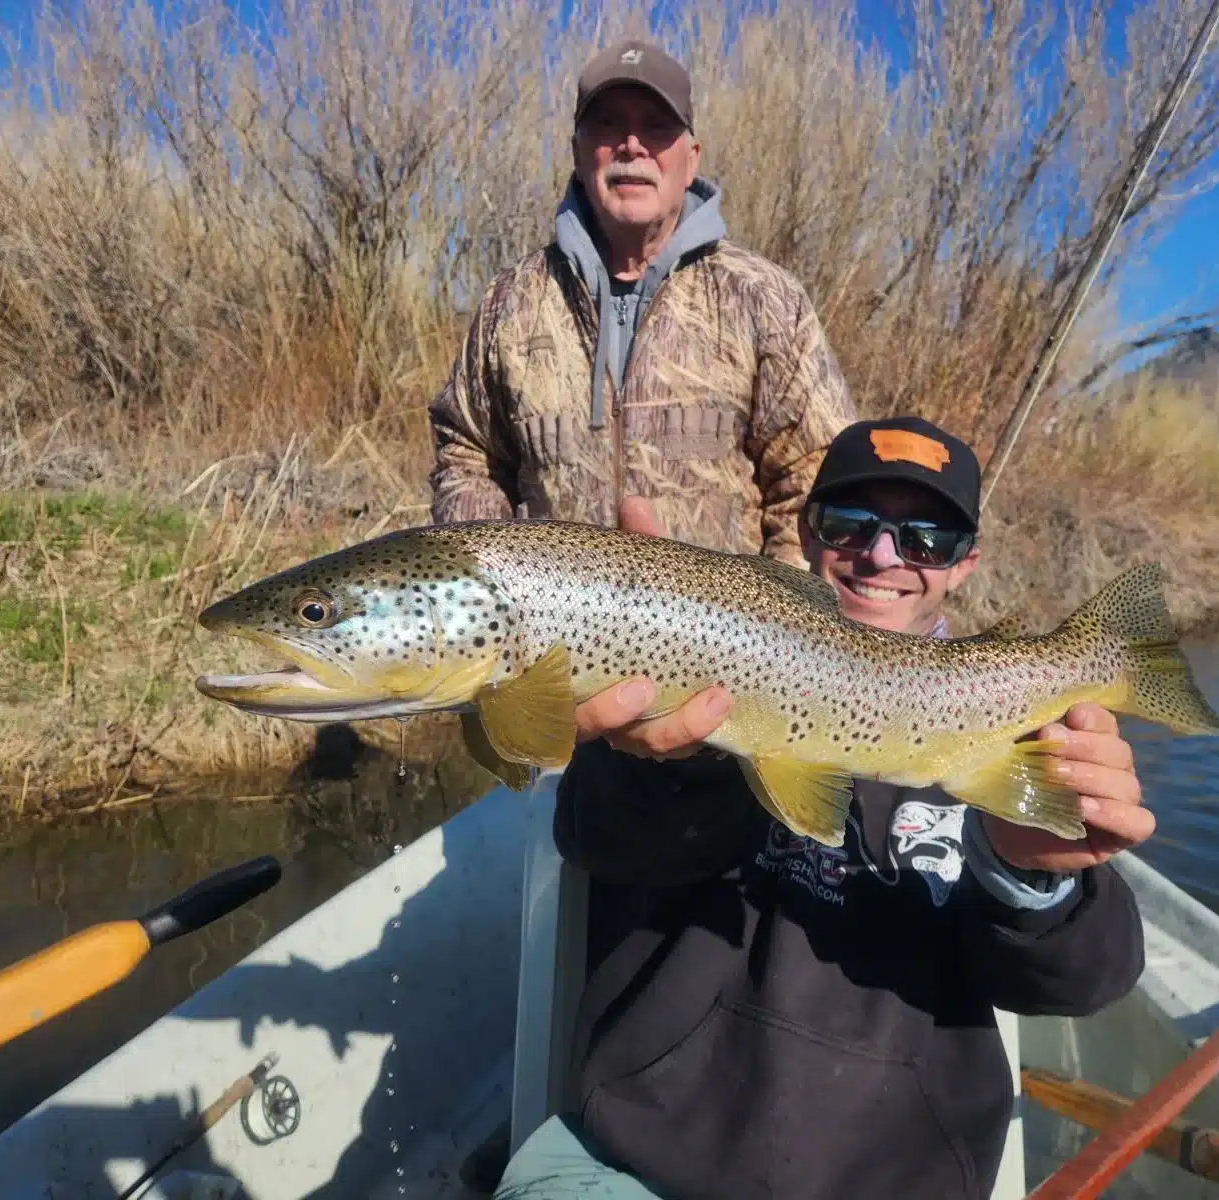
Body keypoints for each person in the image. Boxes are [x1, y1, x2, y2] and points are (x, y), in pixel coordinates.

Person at [492, 416, 1155, 1199]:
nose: (881, 556)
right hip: (637, 1164)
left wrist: (1033, 873)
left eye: (926, 540)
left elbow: (1081, 985)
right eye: (851, 524)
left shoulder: (1012, 728)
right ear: (807, 533)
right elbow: (601, 841)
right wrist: (677, 759)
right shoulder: (687, 663)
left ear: (965, 564)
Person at [428, 37, 857, 569]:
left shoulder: (765, 298)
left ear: (690, 158)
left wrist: (776, 624)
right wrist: (493, 580)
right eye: (608, 124)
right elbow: (469, 455)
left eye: (656, 126)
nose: (632, 144)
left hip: (726, 645)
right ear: (579, 153)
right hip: (552, 641)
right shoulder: (512, 301)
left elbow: (815, 476)